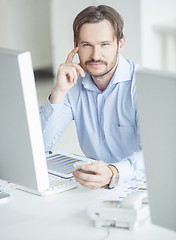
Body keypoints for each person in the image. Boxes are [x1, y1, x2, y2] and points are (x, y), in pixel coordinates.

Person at [40, 5, 145, 189]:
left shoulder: (142, 84)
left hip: (139, 186)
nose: (95, 56)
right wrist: (59, 92)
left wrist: (113, 172)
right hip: (95, 189)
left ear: (120, 44)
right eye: (87, 45)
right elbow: (40, 145)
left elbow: (158, 154)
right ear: (76, 46)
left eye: (104, 44)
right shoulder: (73, 82)